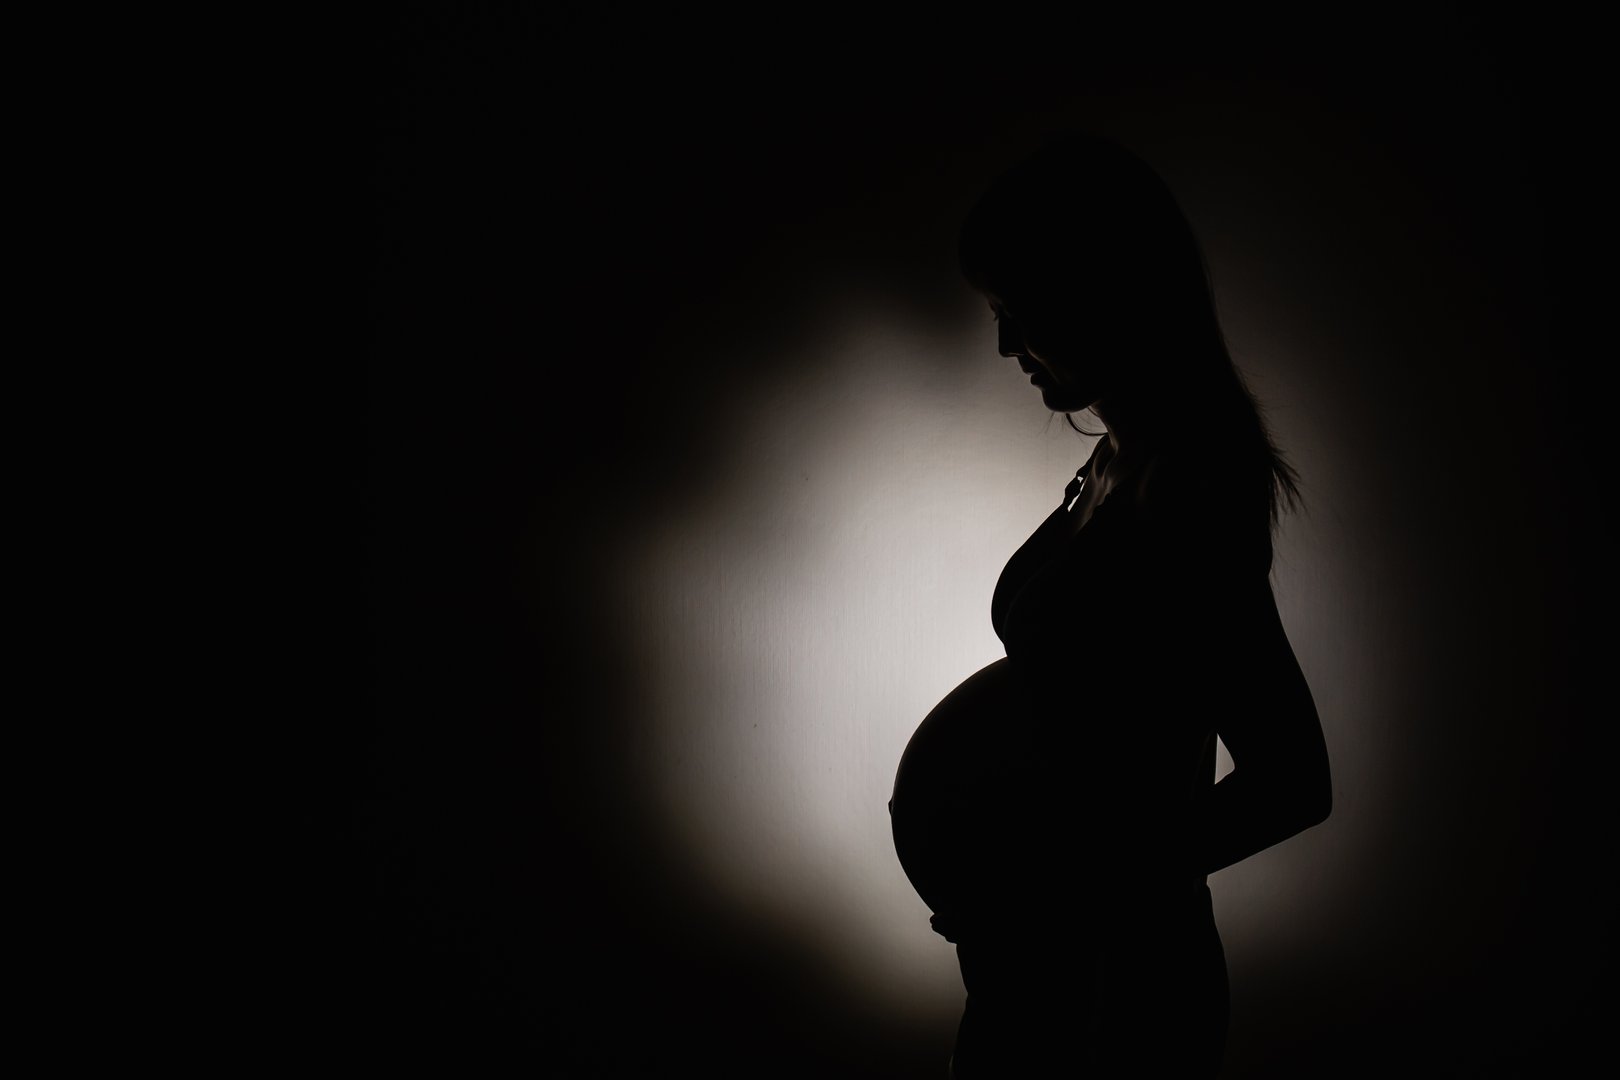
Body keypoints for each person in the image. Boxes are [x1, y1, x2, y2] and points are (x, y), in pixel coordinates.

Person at [888, 134, 1333, 1077]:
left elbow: (1292, 780)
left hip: (1113, 996)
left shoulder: (1193, 485)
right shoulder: (1112, 466)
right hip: (1043, 970)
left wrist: (1056, 895)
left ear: (1104, 290)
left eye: (1020, 309)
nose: (1007, 344)